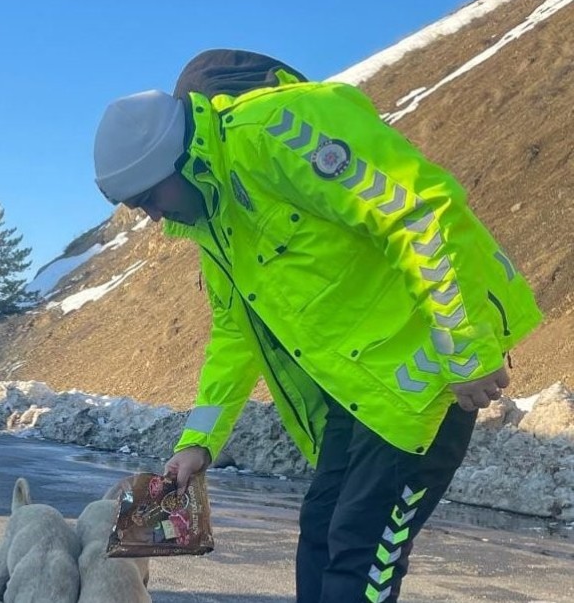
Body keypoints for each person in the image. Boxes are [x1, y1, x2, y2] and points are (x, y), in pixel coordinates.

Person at [91, 50, 542, 603]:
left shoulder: (279, 131)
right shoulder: (217, 217)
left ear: (178, 161)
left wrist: (468, 350)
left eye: (151, 201)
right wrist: (198, 443)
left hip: (426, 382)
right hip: (354, 397)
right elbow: (236, 333)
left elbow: (418, 214)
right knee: (321, 540)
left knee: (360, 554)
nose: (155, 220)